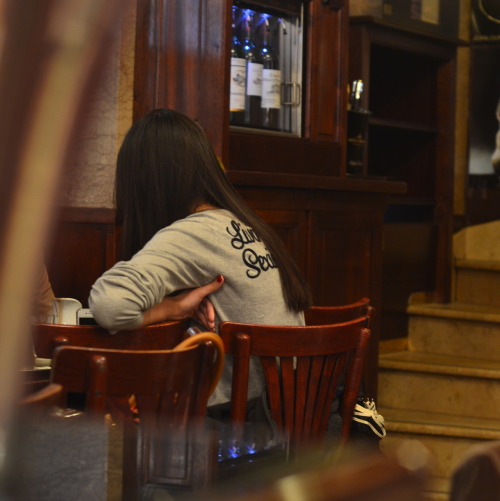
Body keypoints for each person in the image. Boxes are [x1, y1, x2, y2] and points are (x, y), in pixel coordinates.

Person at [89, 108, 311, 407]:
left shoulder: (195, 232)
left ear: (144, 182)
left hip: (238, 429)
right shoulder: (241, 222)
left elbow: (110, 305)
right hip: (291, 416)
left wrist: (175, 307)